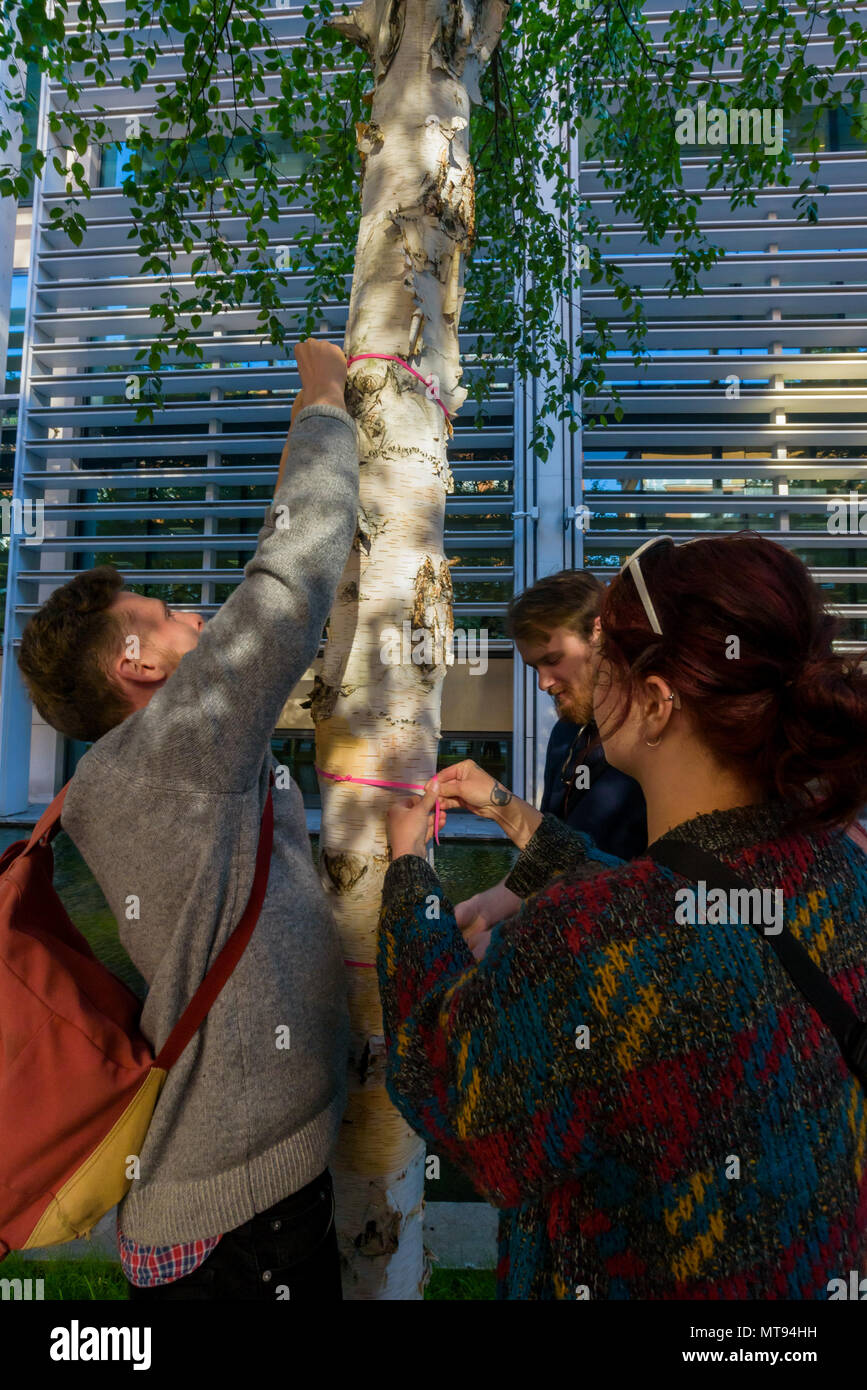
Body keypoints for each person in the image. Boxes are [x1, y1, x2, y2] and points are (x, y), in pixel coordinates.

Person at [379, 531, 867, 1300]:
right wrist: (508, 812)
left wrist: (409, 882)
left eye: (602, 663)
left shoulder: (588, 939)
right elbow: (686, 911)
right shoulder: (838, 870)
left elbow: (451, 1089)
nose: (561, 683)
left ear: (655, 701)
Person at [16, 339, 358, 1300]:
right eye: (168, 614)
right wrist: (323, 393)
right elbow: (287, 582)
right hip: (238, 1227)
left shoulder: (144, 767)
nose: (198, 623)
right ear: (136, 666)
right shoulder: (171, 747)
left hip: (231, 1203)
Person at [455, 571, 646, 959]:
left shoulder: (651, 744)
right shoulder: (566, 734)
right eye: (533, 667)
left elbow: (625, 884)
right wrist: (482, 909)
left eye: (554, 660)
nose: (543, 683)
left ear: (599, 632)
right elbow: (553, 856)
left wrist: (512, 937)